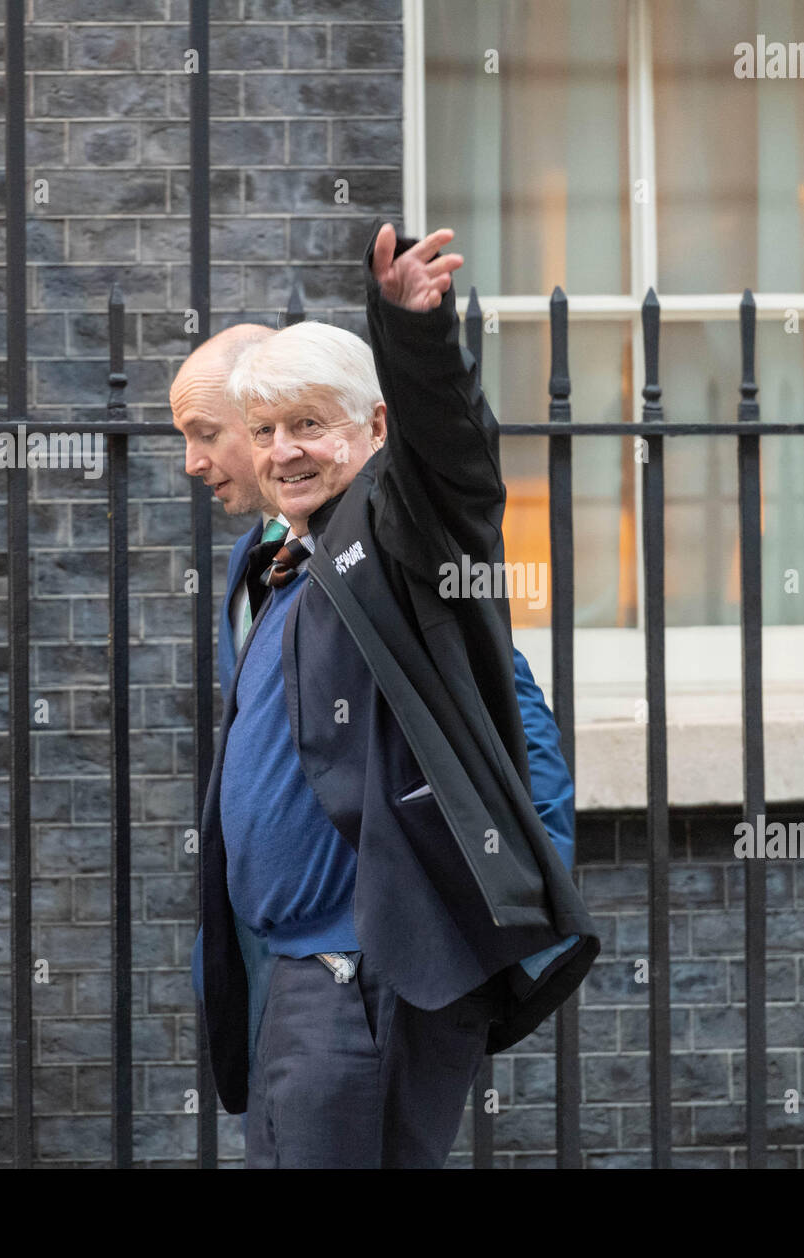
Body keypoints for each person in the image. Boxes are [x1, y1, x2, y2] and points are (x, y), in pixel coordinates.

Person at [199, 220, 600, 1167]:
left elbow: (454, 459)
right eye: (266, 432)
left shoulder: (397, 536)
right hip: (297, 972)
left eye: (310, 424)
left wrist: (413, 335)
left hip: (365, 976)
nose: (285, 451)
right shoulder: (280, 567)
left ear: (373, 429)